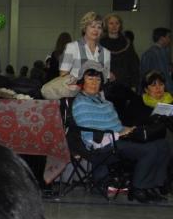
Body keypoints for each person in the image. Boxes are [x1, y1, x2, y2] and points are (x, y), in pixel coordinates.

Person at [71, 61, 169, 203]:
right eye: (90, 79)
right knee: (150, 150)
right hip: (101, 147)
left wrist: (127, 130)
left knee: (162, 145)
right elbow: (90, 136)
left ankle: (154, 186)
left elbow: (116, 126)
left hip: (117, 140)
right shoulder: (80, 102)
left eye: (98, 79)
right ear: (82, 81)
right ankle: (138, 188)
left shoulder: (105, 103)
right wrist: (119, 134)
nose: (94, 83)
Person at [60, 12, 111, 81]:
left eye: (99, 27)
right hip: (76, 91)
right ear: (84, 28)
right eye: (92, 26)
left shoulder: (106, 53)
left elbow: (106, 78)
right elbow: (63, 75)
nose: (96, 30)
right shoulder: (72, 47)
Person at [100, 13, 140, 90]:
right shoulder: (100, 43)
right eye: (111, 23)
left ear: (120, 25)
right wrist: (106, 72)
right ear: (106, 25)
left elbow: (133, 64)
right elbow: (95, 63)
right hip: (105, 84)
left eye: (117, 23)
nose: (114, 26)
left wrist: (134, 84)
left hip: (125, 84)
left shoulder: (127, 43)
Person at [140, 27, 173, 93]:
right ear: (162, 38)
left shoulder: (165, 52)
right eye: (168, 37)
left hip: (166, 90)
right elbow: (145, 76)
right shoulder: (149, 54)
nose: (170, 39)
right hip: (156, 92)